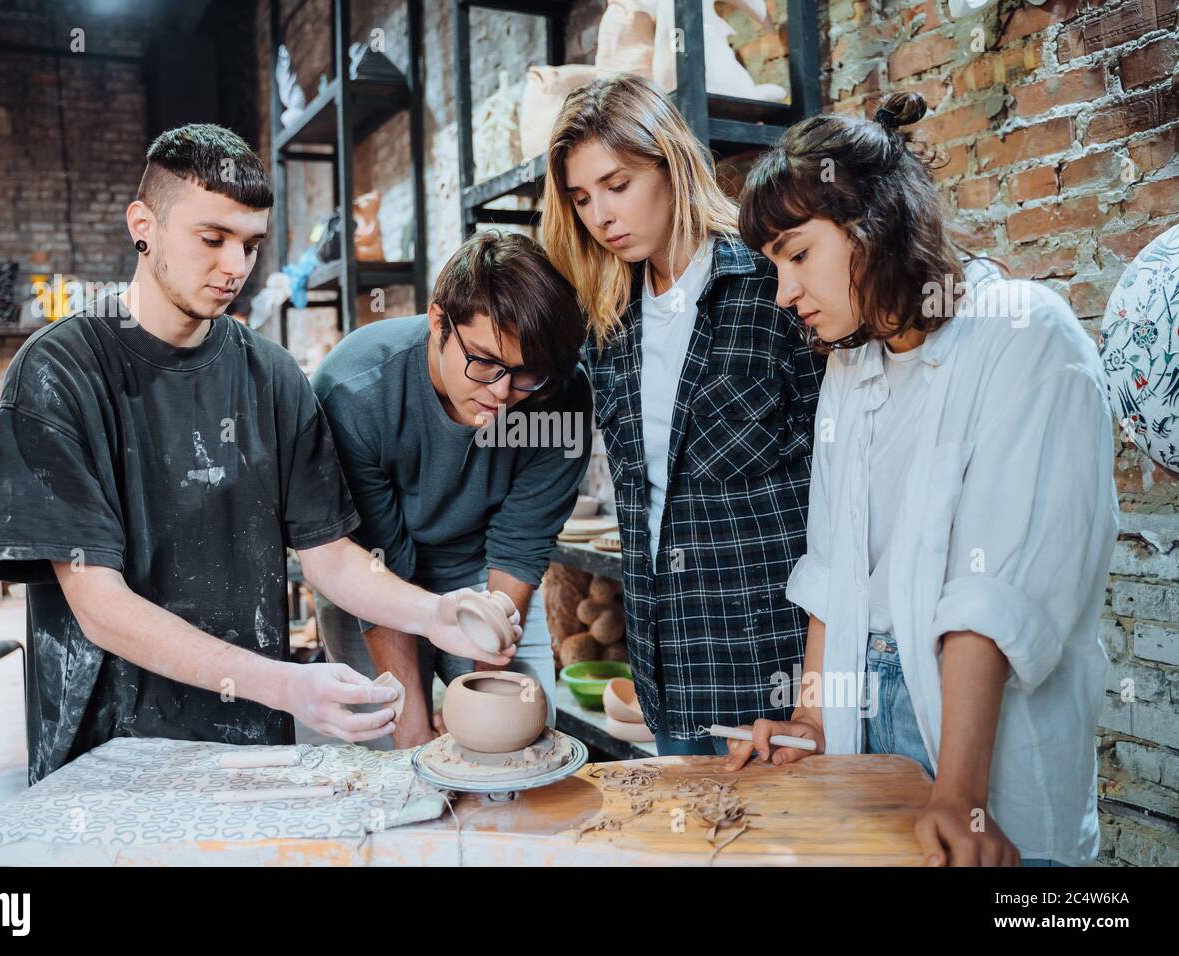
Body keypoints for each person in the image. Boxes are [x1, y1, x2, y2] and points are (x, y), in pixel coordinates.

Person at [0, 124, 516, 783]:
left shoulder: (272, 375)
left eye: (252, 244)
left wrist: (435, 613)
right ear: (142, 223)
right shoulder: (59, 374)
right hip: (107, 754)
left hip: (247, 746)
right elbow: (99, 606)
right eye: (213, 239)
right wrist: (290, 685)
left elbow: (330, 555)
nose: (236, 266)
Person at [732, 92, 1118, 867]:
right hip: (864, 715)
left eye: (798, 254)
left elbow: (995, 596)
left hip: (976, 725)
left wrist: (962, 797)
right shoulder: (853, 362)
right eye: (773, 267)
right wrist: (813, 722)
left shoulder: (1026, 335)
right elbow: (835, 571)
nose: (784, 294)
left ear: (871, 227)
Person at [541, 73, 825, 755]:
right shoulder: (609, 326)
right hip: (665, 666)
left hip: (773, 666)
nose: (602, 215)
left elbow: (847, 489)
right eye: (582, 199)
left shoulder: (772, 291)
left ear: (671, 166)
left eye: (618, 185)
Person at [311, 231, 592, 748]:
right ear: (439, 322)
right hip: (368, 572)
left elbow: (518, 546)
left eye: (526, 374)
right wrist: (412, 728)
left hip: (480, 566)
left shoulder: (561, 391)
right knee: (388, 752)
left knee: (517, 735)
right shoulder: (353, 390)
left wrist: (481, 690)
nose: (502, 394)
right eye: (484, 362)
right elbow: (379, 561)